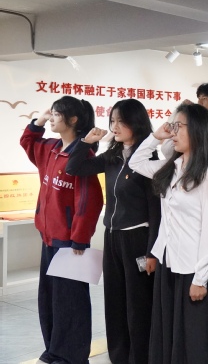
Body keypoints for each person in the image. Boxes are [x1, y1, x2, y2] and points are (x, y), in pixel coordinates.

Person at [65, 98, 160, 364]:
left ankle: (139, 357)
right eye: (112, 120)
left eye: (121, 121)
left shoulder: (149, 160)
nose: (114, 126)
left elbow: (156, 212)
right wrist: (86, 143)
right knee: (114, 299)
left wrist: (152, 252)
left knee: (137, 303)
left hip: (138, 238)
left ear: (136, 123)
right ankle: (118, 356)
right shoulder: (112, 156)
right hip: (112, 235)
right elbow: (74, 168)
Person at [129, 103, 208, 364]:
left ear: (198, 130)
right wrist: (155, 136)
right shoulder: (172, 167)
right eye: (172, 126)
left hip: (193, 269)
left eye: (178, 126)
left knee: (193, 339)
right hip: (168, 261)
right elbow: (136, 162)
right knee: (168, 333)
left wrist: (201, 278)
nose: (173, 132)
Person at [20, 96, 104, 364]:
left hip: (69, 243)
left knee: (70, 303)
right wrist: (39, 120)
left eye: (57, 114)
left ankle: (72, 357)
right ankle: (54, 350)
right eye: (52, 113)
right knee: (49, 300)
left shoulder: (82, 156)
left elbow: (89, 201)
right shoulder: (51, 148)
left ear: (73, 120)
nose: (52, 118)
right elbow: (28, 142)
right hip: (48, 239)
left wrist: (79, 238)